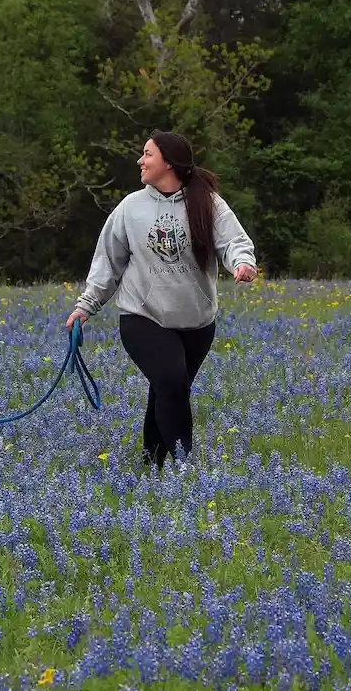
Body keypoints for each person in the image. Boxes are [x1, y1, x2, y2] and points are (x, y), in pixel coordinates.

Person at [65, 130, 257, 469]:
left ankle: (151, 466)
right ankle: (185, 467)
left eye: (148, 154)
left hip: (197, 321)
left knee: (168, 390)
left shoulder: (208, 202)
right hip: (143, 315)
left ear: (168, 162)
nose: (140, 160)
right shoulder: (130, 208)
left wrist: (242, 263)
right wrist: (86, 306)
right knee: (171, 381)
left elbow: (232, 242)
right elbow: (108, 262)